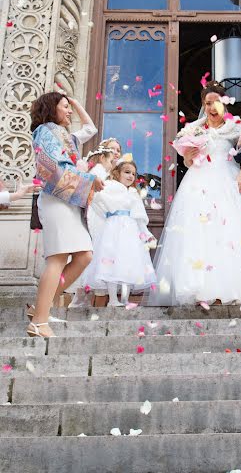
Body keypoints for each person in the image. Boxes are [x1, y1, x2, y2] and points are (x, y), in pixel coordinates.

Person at [148, 81, 241, 311]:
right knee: (199, 234)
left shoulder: (235, 126)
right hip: (198, 182)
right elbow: (187, 161)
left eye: (216, 103)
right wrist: (188, 157)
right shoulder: (194, 129)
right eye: (208, 103)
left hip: (228, 181)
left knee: (230, 232)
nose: (212, 107)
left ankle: (232, 289)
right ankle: (200, 289)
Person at [27, 92, 104, 337]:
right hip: (56, 200)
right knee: (58, 258)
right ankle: (39, 322)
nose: (69, 112)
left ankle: (41, 306)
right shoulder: (45, 132)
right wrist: (88, 179)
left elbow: (90, 128)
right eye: (64, 107)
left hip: (69, 201)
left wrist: (74, 102)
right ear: (51, 109)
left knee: (84, 256)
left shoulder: (65, 136)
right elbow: (50, 169)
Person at [81, 158, 156, 306]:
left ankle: (124, 299)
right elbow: (96, 200)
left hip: (130, 229)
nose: (130, 176)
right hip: (113, 227)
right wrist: (107, 214)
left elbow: (139, 216)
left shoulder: (134, 192)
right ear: (118, 173)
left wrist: (146, 233)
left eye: (133, 174)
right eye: (127, 172)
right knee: (110, 259)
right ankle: (113, 299)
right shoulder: (109, 186)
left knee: (128, 261)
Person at [67, 144, 117, 308]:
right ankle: (81, 298)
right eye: (110, 160)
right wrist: (113, 210)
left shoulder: (100, 172)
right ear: (102, 158)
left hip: (98, 216)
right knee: (93, 252)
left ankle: (83, 298)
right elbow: (98, 197)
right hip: (96, 217)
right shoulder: (98, 172)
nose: (112, 163)